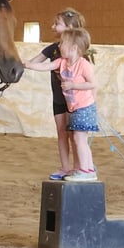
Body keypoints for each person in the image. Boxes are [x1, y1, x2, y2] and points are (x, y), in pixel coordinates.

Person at [24, 26, 99, 182]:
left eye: (62, 43)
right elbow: (45, 66)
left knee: (79, 139)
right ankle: (87, 168)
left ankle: (86, 170)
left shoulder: (83, 64)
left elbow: (92, 84)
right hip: (74, 108)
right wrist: (29, 65)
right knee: (78, 138)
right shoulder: (62, 62)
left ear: (73, 48)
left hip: (84, 107)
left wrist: (73, 86)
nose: (59, 46)